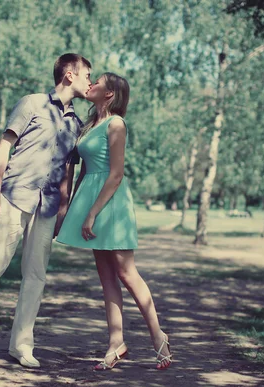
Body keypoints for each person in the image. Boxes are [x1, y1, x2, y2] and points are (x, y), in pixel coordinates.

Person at [0, 54, 92, 369]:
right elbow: (4, 145)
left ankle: (21, 346)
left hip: (48, 207)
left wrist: (64, 211)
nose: (89, 82)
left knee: (36, 276)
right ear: (69, 75)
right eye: (86, 76)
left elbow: (67, 170)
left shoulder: (76, 124)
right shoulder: (32, 104)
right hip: (14, 197)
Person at [56, 73, 173, 370]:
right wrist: (72, 209)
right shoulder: (89, 125)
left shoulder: (116, 124)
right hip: (89, 198)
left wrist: (94, 211)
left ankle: (158, 337)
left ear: (110, 94)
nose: (90, 84)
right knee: (106, 276)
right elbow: (83, 170)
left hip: (112, 202)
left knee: (126, 273)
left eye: (98, 82)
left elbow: (116, 173)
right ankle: (116, 343)